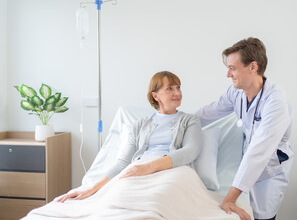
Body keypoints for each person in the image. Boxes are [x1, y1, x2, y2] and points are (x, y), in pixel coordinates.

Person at [58, 71, 203, 202]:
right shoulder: (140, 125)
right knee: (119, 198)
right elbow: (123, 162)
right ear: (155, 95)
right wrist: (90, 189)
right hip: (138, 170)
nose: (177, 92)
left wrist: (149, 167)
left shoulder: (190, 120)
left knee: (157, 199)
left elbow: (191, 151)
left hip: (173, 171)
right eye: (170, 88)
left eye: (178, 87)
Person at [196, 37, 294, 220]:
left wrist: (230, 199)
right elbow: (208, 113)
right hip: (247, 164)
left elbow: (258, 152)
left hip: (269, 172)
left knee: (264, 217)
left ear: (253, 67)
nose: (228, 74)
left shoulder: (275, 102)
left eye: (232, 68)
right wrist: (177, 123)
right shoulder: (236, 92)